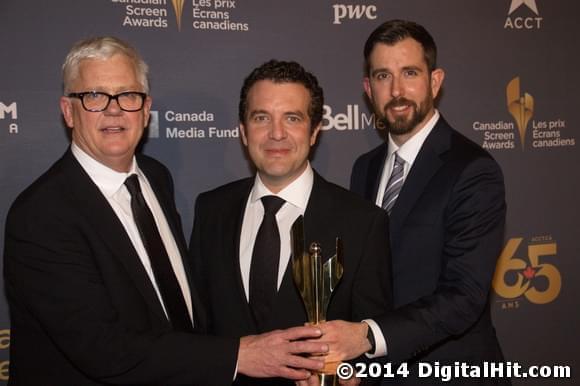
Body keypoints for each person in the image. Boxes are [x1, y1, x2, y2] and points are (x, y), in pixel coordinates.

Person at [3, 36, 328, 385]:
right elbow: (102, 348)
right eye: (94, 96)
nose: (114, 109)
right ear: (69, 110)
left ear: (145, 110)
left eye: (128, 95)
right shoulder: (41, 215)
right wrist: (238, 356)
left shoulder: (156, 178)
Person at [317, 20, 508, 385]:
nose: (397, 90)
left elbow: (464, 297)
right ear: (368, 88)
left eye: (410, 73)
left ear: (435, 82)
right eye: (383, 76)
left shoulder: (473, 170)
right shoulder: (365, 169)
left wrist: (367, 337)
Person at [188, 59, 393, 386]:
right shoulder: (211, 209)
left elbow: (375, 345)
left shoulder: (363, 223)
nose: (276, 133)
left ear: (314, 132)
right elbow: (197, 331)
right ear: (242, 131)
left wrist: (352, 380)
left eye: (292, 118)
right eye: (261, 118)